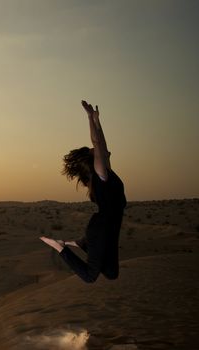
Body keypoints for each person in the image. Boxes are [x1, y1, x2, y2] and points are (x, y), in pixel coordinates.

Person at [39, 100, 127, 283]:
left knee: (112, 273)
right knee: (89, 276)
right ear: (94, 159)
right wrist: (89, 117)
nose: (99, 149)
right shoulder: (101, 175)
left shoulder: (107, 174)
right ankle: (61, 248)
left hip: (110, 225)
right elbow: (97, 141)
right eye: (93, 150)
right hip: (101, 227)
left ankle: (83, 243)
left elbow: (101, 142)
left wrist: (97, 120)